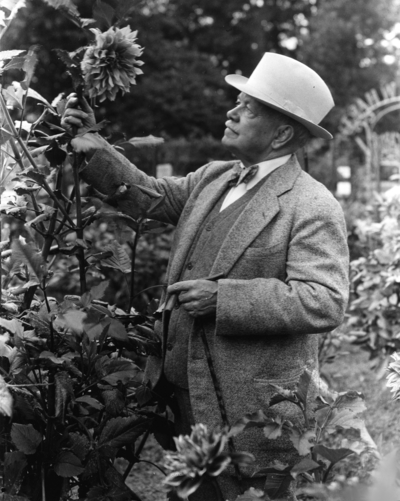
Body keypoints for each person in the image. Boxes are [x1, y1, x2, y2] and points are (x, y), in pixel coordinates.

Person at [62, 52, 349, 500]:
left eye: (248, 108)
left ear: (283, 133)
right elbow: (151, 196)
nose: (232, 112)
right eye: (237, 102)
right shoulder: (214, 179)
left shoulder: (311, 205)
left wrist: (225, 298)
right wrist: (91, 142)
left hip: (251, 414)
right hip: (183, 396)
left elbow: (324, 298)